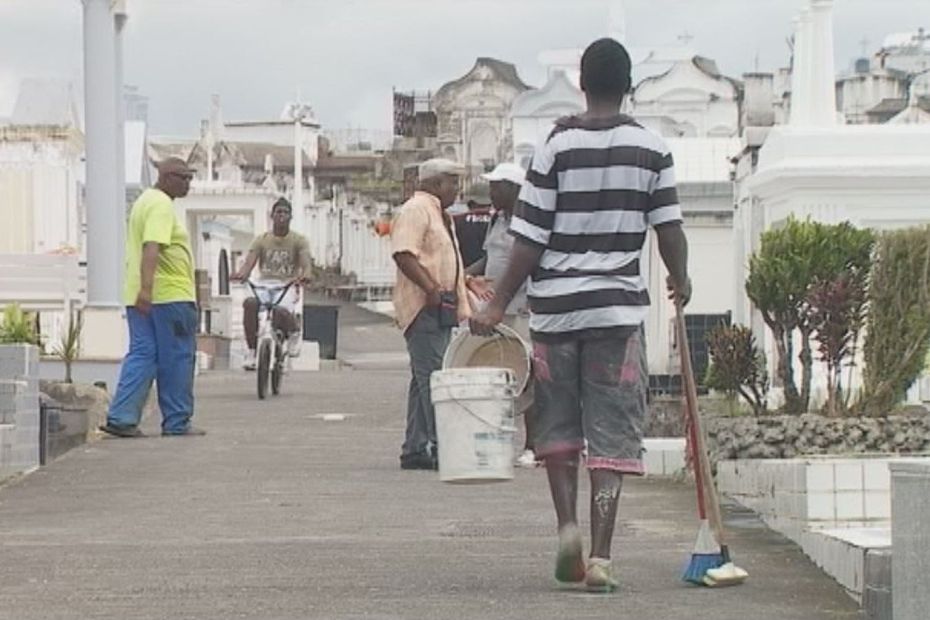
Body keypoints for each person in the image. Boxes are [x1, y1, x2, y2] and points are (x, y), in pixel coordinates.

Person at [472, 38, 691, 592]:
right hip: (615, 316)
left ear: (583, 84)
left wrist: (498, 300)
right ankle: (601, 556)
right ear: (629, 86)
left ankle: (566, 525)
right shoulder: (653, 149)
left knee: (559, 428)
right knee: (611, 435)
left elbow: (529, 238)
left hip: (556, 317)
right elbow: (669, 228)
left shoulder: (555, 147)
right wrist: (680, 279)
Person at [100, 157, 204, 438]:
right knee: (178, 358)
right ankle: (177, 422)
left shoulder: (144, 201)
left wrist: (142, 292)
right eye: (184, 178)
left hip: (138, 297)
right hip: (169, 297)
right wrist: (148, 288)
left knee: (143, 354)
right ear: (168, 177)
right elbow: (152, 247)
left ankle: (121, 417)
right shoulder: (160, 205)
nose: (188, 184)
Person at [391, 158, 470, 470]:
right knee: (434, 378)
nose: (457, 190)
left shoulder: (440, 215)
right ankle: (442, 445)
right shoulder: (416, 209)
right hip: (425, 305)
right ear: (437, 183)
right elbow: (403, 253)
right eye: (453, 183)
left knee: (423, 377)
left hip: (442, 306)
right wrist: (431, 288)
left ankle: (415, 446)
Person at [465, 162, 538, 468]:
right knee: (496, 376)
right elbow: (490, 257)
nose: (491, 193)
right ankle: (497, 442)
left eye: (497, 187)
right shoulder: (497, 220)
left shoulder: (528, 223)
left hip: (521, 309)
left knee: (528, 375)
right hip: (494, 310)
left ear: (513, 189)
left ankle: (533, 444)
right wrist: (463, 275)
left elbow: (530, 263)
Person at [231, 197, 311, 370]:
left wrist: (305, 275)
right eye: (278, 212)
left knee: (280, 309)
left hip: (286, 285)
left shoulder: (299, 240)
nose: (281, 216)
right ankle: (252, 352)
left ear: (290, 217)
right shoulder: (261, 240)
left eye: (285, 213)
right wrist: (241, 275)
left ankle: (294, 331)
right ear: (272, 216)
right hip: (264, 284)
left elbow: (305, 263)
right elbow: (249, 264)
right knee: (250, 303)